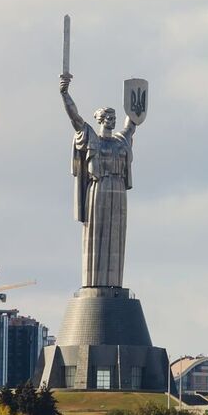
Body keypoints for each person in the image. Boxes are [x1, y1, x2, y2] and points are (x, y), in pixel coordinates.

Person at [60, 73, 137, 288]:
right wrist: (65, 93)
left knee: (116, 237)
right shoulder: (92, 138)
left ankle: (114, 284)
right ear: (100, 119)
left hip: (118, 191)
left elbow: (132, 123)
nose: (112, 120)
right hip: (98, 188)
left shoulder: (121, 141)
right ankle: (94, 283)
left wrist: (135, 104)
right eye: (108, 117)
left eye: (114, 117)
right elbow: (75, 118)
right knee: (97, 234)